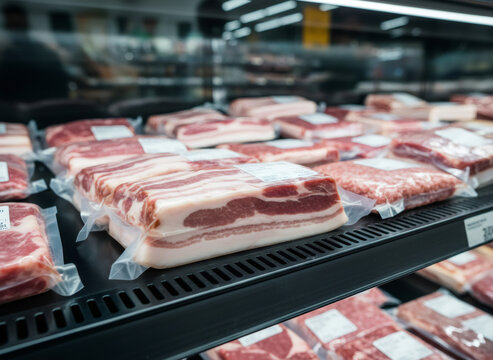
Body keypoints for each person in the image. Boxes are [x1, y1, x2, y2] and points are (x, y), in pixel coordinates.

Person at [0, 4, 69, 103]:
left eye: (17, 24)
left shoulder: (44, 47)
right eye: (12, 25)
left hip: (41, 107)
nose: (15, 29)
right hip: (20, 108)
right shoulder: (6, 52)